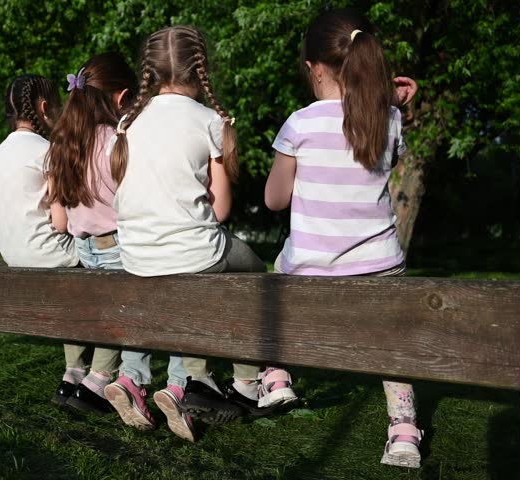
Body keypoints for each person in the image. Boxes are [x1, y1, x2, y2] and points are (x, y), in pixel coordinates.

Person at [110, 25, 298, 428]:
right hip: (195, 252)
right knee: (254, 274)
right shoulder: (209, 119)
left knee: (201, 275)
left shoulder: (127, 122)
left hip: (136, 256)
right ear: (200, 71)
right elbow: (222, 210)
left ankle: (187, 380)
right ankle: (249, 379)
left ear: (151, 72)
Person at [264, 9, 422, 468]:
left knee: (274, 273)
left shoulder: (300, 123)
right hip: (380, 266)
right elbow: (375, 122)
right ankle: (404, 432)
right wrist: (393, 100)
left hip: (312, 271)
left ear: (314, 68)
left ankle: (275, 376)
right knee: (392, 342)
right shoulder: (388, 120)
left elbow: (275, 200)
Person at [45, 53, 195, 441]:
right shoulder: (117, 141)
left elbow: (58, 211)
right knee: (168, 302)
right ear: (121, 98)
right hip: (119, 246)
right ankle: (167, 383)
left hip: (86, 253)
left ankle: (129, 380)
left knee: (132, 310)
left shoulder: (63, 143)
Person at [0, 74, 90, 409]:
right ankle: (98, 371)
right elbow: (61, 223)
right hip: (48, 256)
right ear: (44, 108)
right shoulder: (48, 151)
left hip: (14, 257)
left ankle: (75, 369)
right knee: (106, 256)